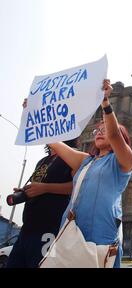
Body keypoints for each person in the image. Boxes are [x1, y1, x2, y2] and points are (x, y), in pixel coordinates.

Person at [48, 79, 132, 268]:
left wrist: (105, 103)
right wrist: (33, 113)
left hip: (100, 238)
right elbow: (53, 141)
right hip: (68, 235)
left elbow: (114, 135)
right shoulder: (85, 161)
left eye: (104, 129)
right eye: (97, 130)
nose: (99, 132)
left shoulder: (122, 161)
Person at [7, 100, 77, 268]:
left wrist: (45, 188)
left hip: (48, 229)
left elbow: (75, 187)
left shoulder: (71, 158)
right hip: (27, 228)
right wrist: (26, 191)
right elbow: (38, 185)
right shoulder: (42, 161)